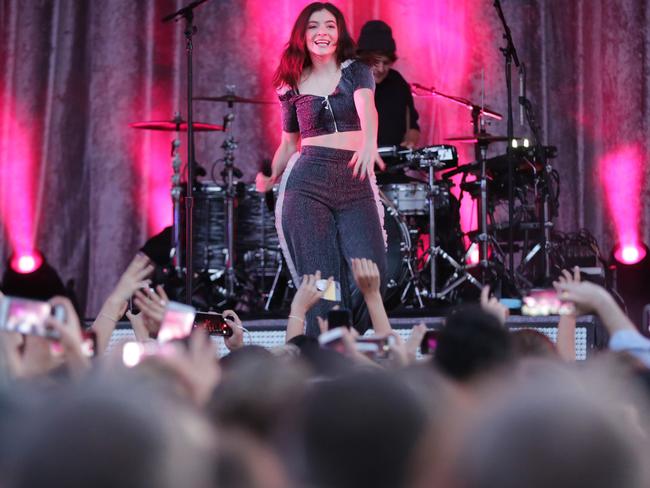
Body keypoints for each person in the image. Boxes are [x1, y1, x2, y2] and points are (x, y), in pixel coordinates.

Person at [256, 2, 387, 336]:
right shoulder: (291, 84)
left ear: (339, 32)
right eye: (313, 26)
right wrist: (272, 176)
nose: (322, 33)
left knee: (373, 272)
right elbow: (288, 143)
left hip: (354, 180)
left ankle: (357, 345)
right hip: (307, 184)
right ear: (303, 34)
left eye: (329, 25)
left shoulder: (357, 69)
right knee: (321, 283)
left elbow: (367, 109)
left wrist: (370, 142)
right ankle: (323, 353)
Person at [356, 20, 420, 151]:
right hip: (354, 166)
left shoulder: (398, 83)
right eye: (375, 62)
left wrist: (410, 141)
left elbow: (413, 126)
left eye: (386, 63)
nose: (380, 69)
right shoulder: (347, 82)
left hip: (392, 165)